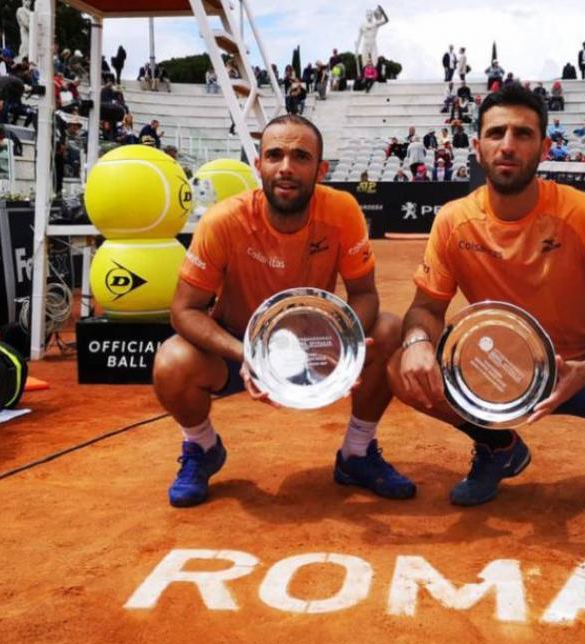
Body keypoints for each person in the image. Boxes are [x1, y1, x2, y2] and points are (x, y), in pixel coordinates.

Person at [389, 83, 585, 537]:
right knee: (401, 366)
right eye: (496, 133)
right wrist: (419, 342)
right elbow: (425, 309)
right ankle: (499, 448)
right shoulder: (453, 221)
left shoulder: (584, 214)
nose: (508, 145)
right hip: (500, 380)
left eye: (523, 133)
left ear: (544, 146)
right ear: (477, 146)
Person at [154, 114, 415, 507]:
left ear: (321, 169)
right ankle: (202, 447)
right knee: (171, 361)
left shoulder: (342, 211)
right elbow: (184, 310)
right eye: (274, 155)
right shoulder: (224, 219)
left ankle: (357, 454)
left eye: (301, 156)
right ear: (258, 164)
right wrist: (249, 354)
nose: (286, 168)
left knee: (390, 329)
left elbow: (365, 295)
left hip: (316, 344)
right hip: (238, 350)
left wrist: (340, 344)